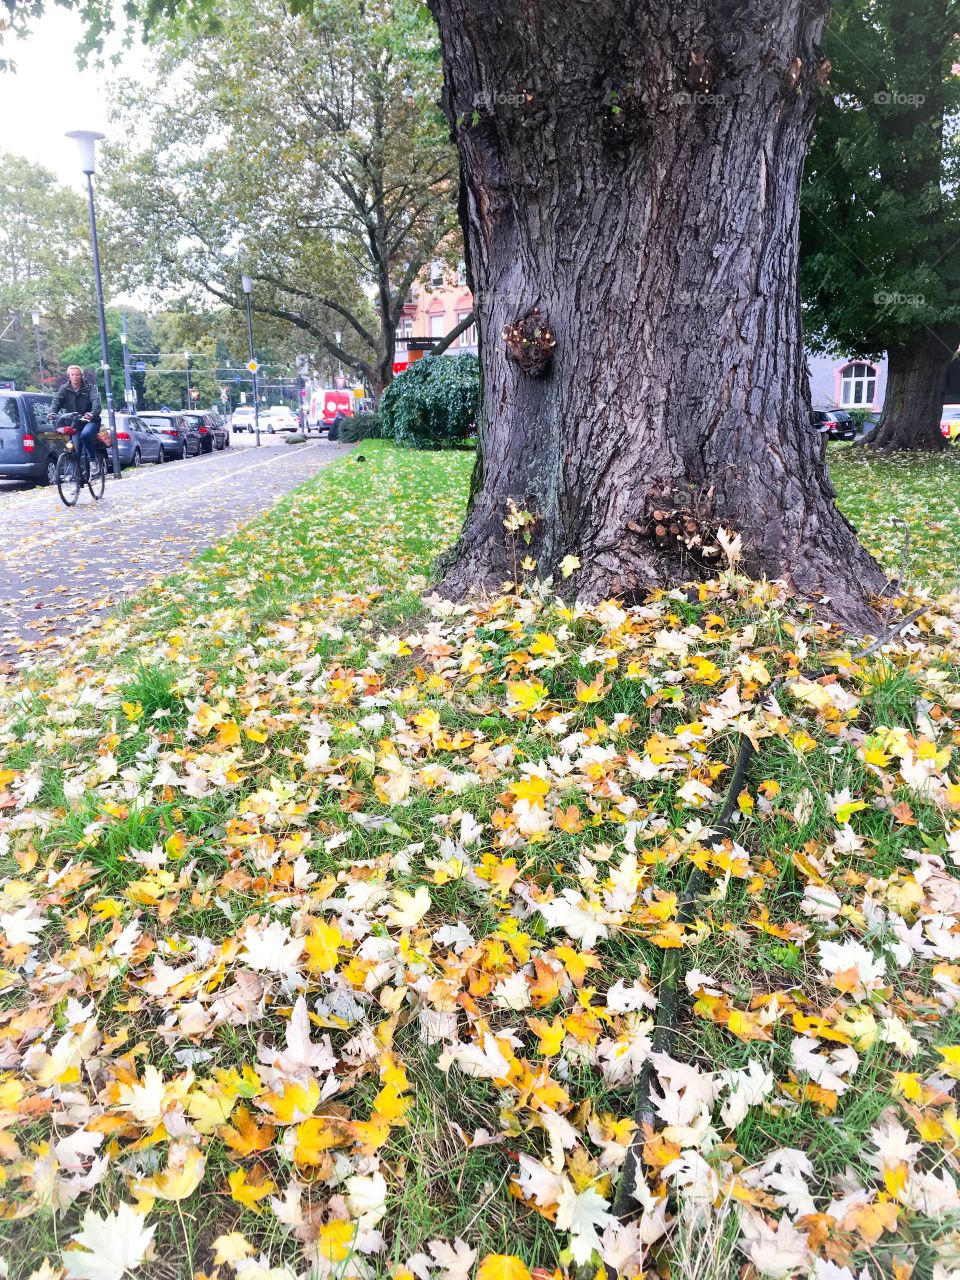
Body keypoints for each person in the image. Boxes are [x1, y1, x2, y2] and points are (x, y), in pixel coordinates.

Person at [50, 366, 103, 465]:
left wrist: (92, 414)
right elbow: (56, 402)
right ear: (69, 376)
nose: (75, 377)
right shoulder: (64, 389)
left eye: (77, 374)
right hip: (75, 423)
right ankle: (76, 476)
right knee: (75, 450)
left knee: (85, 435)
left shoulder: (90, 388)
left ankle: (92, 460)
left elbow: (96, 402)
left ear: (81, 376)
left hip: (90, 421)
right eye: (72, 375)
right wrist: (52, 413)